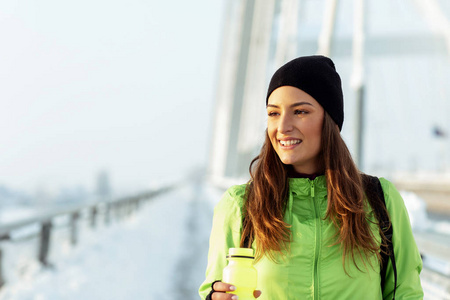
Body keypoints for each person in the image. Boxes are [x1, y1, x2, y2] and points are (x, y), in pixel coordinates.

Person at [199, 55, 423, 300]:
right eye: (273, 113)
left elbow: (405, 292)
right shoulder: (241, 206)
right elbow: (214, 288)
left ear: (331, 122)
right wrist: (215, 296)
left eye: (300, 111)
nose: (283, 126)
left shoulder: (380, 199)